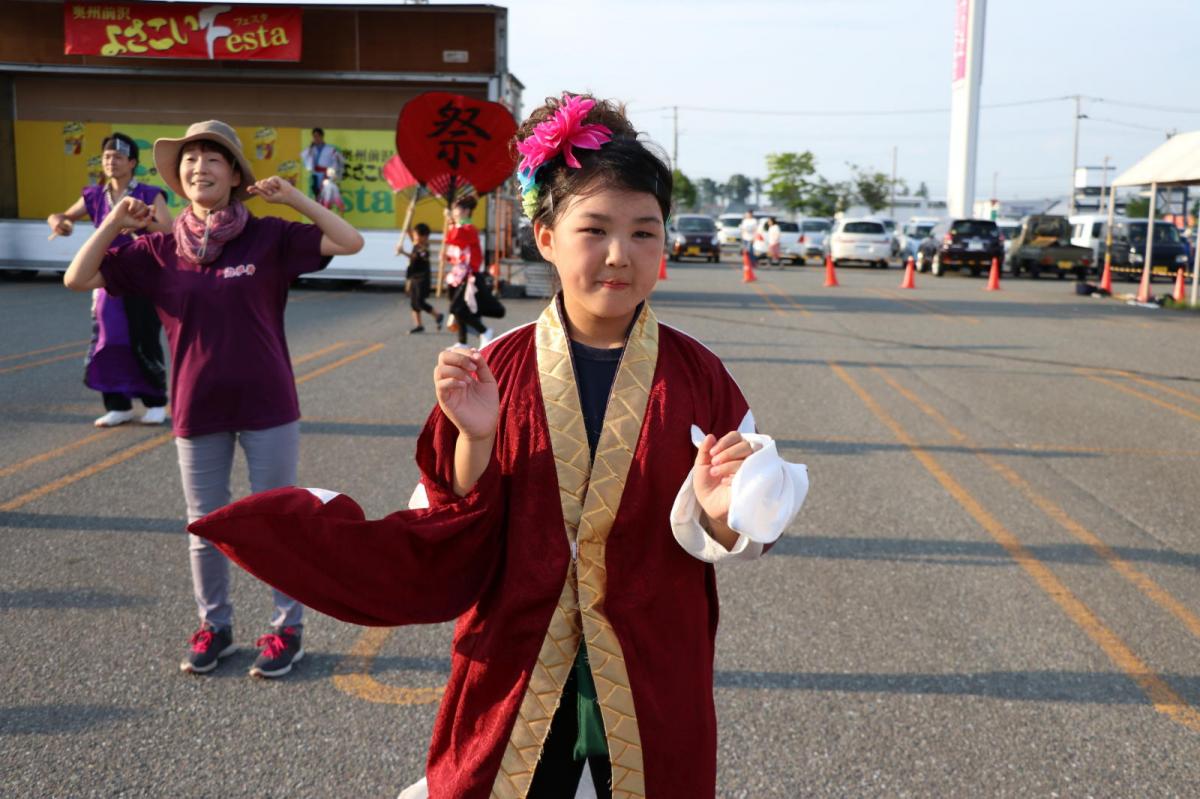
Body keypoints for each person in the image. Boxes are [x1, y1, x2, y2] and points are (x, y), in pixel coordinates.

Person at [186, 94, 808, 798]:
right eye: (594, 229)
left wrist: (727, 506)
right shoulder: (497, 365)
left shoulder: (700, 378)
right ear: (546, 236)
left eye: (644, 232)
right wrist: (476, 437)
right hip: (515, 660)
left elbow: (739, 533)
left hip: (652, 666)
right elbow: (447, 514)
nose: (619, 255)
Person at [62, 120, 365, 678]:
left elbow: (350, 241)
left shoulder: (269, 236)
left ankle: (286, 628)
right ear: (179, 178)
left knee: (278, 522)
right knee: (204, 524)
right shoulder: (157, 251)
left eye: (213, 159)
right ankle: (215, 625)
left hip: (269, 402)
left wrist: (294, 197)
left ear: (234, 175)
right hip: (196, 406)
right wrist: (111, 222)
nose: (200, 167)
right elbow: (77, 279)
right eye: (191, 160)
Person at [48, 133, 173, 427]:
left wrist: (146, 220)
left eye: (117, 157)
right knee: (108, 339)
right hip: (105, 277)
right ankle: (118, 404)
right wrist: (58, 221)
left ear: (132, 162)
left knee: (143, 338)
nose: (110, 162)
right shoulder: (94, 195)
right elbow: (62, 215)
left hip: (142, 276)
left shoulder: (148, 192)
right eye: (106, 157)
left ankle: (155, 401)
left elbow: (168, 231)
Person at [441, 195, 493, 346]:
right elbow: (456, 252)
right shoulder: (461, 227)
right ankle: (462, 341)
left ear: (465, 211)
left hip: (469, 276)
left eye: (455, 209)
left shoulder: (469, 229)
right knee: (457, 308)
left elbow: (456, 238)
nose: (453, 211)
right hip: (458, 274)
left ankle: (484, 331)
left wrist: (450, 222)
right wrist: (447, 257)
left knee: (456, 308)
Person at [397, 222, 443, 333]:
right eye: (414, 235)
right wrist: (409, 217)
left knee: (419, 302)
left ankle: (438, 315)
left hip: (422, 278)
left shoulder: (424, 248)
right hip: (413, 276)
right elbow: (408, 231)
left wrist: (402, 252)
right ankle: (419, 325)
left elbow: (415, 257)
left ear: (424, 237)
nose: (415, 237)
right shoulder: (416, 243)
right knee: (413, 302)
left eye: (417, 235)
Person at [301, 127, 343, 200]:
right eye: (314, 136)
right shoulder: (311, 149)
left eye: (317, 136)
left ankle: (324, 208)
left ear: (322, 136)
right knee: (316, 192)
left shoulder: (330, 149)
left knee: (326, 194)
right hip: (315, 175)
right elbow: (305, 157)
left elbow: (336, 162)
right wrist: (311, 147)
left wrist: (333, 174)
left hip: (327, 175)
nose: (316, 138)